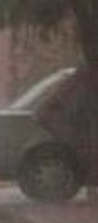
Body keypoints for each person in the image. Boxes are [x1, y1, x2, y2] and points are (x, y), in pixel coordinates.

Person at [35, 65, 98, 203]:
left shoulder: (81, 80)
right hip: (78, 124)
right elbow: (46, 112)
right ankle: (92, 189)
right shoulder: (82, 81)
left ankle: (92, 189)